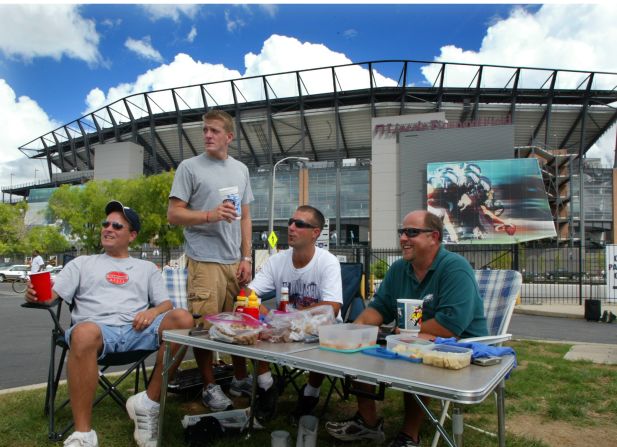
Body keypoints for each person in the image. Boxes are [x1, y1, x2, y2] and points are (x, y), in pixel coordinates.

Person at [25, 201, 194, 447]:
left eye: (117, 225)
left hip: (137, 330)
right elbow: (50, 296)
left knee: (183, 318)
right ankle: (84, 435)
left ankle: (148, 403)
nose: (108, 228)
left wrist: (152, 312)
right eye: (106, 224)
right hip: (97, 332)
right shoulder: (82, 263)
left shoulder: (146, 268)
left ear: (132, 235)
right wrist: (33, 294)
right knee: (83, 333)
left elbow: (166, 305)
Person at [325, 210, 488, 447]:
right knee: (362, 345)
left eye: (412, 232)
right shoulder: (400, 269)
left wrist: (407, 334)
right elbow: (379, 309)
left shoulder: (455, 268)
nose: (403, 238)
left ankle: (409, 436)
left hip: (462, 348)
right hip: (412, 340)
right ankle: (367, 422)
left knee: (415, 354)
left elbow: (450, 324)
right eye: (402, 232)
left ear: (434, 237)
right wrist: (356, 329)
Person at [167, 109, 255, 412]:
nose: (207, 135)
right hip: (204, 261)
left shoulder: (241, 170)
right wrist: (209, 214)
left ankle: (240, 379)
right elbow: (174, 214)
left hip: (235, 262)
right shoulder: (189, 168)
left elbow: (245, 216)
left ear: (229, 137)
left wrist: (247, 257)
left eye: (214, 131)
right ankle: (209, 385)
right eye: (205, 130)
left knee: (240, 324)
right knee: (205, 328)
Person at [248, 205, 342, 422]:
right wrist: (264, 314)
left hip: (317, 328)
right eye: (290, 222)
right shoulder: (277, 261)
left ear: (315, 233)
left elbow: (332, 307)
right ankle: (266, 386)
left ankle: (311, 393)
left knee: (326, 331)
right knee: (252, 327)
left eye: (300, 224)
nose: (291, 227)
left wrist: (288, 318)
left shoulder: (327, 261)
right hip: (281, 327)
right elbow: (248, 292)